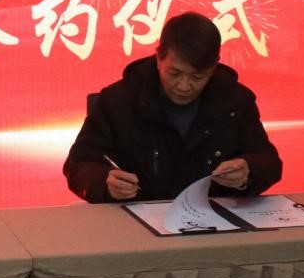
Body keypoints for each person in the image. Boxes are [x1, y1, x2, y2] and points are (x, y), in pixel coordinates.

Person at [63, 11, 282, 203]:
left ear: (214, 67)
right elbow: (79, 164)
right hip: (136, 223)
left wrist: (248, 172)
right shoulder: (118, 101)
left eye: (197, 77)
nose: (184, 86)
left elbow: (268, 161)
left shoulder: (235, 101)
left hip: (214, 220)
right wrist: (104, 183)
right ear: (159, 58)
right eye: (174, 73)